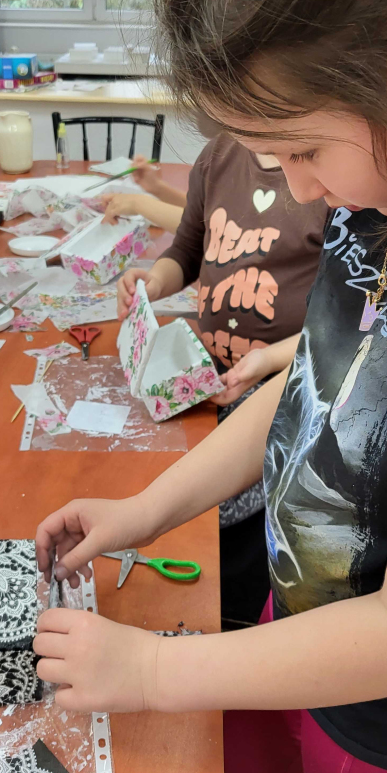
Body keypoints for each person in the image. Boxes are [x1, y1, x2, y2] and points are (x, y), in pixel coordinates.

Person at [34, 0, 387, 773]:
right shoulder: (374, 203)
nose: (295, 190)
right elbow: (306, 396)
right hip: (293, 620)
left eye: (300, 152)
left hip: (386, 709)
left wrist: (152, 670)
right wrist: (145, 508)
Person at [111, 139, 327, 629]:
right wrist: (156, 281)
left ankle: (232, 617)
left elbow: (340, 322)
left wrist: (268, 359)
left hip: (281, 389)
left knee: (230, 530)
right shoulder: (219, 158)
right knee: (177, 497)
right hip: (212, 381)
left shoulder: (323, 178)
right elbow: (188, 249)